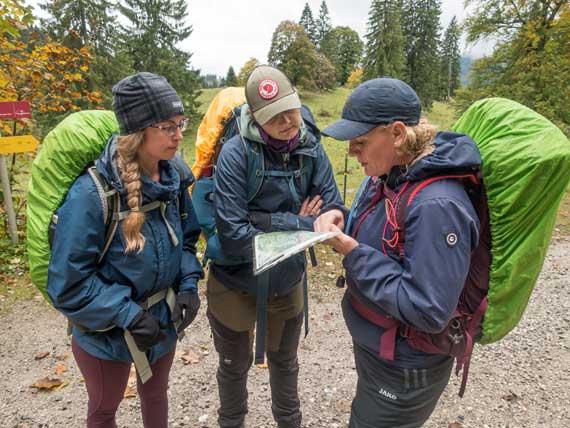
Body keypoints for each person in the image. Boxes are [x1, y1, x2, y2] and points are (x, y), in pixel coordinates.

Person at [314, 78, 481, 428]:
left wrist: (353, 253)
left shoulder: (438, 205)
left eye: (360, 142)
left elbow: (429, 308)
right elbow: (389, 234)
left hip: (405, 367)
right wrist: (341, 215)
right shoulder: (394, 172)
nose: (352, 152)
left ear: (398, 133)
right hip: (380, 349)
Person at [47, 72, 204, 428]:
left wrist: (189, 285)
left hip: (161, 319)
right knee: (104, 408)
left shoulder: (174, 176)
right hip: (105, 332)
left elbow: (187, 238)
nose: (179, 135)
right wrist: (128, 315)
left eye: (181, 123)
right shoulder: (91, 196)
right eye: (167, 126)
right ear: (137, 130)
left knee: (156, 395)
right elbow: (68, 284)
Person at [208, 65, 344, 428]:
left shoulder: (311, 146)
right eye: (274, 116)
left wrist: (266, 220)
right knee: (233, 366)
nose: (287, 121)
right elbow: (234, 236)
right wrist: (299, 220)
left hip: (286, 278)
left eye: (291, 109)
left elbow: (333, 209)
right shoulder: (236, 154)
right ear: (255, 117)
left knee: (285, 363)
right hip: (235, 282)